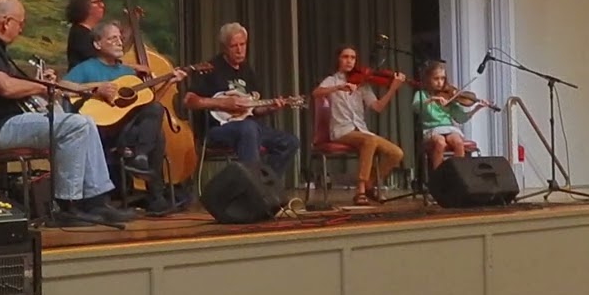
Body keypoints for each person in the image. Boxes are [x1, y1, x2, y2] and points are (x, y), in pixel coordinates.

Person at [0, 0, 135, 225]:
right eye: (20, 23)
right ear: (6, 22)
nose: (20, 30)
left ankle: (97, 201)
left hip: (5, 123)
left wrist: (39, 83)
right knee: (75, 125)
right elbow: (5, 87)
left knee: (86, 121)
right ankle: (67, 205)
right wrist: (41, 87)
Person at [64, 21, 187, 216]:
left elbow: (147, 103)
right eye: (112, 38)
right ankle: (155, 195)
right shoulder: (86, 68)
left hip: (129, 131)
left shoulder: (127, 73)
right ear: (97, 44)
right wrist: (96, 87)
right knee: (156, 135)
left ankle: (140, 157)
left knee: (155, 111)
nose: (119, 42)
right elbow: (62, 87)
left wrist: (169, 81)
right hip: (102, 130)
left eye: (120, 38)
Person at [184, 22, 299, 178]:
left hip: (249, 127)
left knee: (289, 142)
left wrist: (271, 107)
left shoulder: (247, 70)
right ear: (224, 48)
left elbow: (254, 108)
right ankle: (253, 188)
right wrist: (222, 103)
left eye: (243, 44)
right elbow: (189, 101)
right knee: (249, 128)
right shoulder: (210, 68)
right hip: (217, 130)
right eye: (234, 46)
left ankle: (263, 184)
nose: (240, 50)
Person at [312, 45, 405, 205]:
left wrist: (392, 89)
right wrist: (339, 87)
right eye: (345, 57)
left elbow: (377, 107)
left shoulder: (362, 84)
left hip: (361, 130)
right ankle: (360, 190)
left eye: (353, 58)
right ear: (338, 59)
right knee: (370, 141)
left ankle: (370, 183)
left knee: (396, 153)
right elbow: (316, 93)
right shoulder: (332, 80)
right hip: (342, 131)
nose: (349, 61)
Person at [411, 61, 492, 171]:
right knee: (440, 142)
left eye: (443, 78)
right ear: (428, 79)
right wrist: (432, 99)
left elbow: (461, 118)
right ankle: (438, 178)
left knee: (458, 142)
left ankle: (458, 175)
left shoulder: (449, 96)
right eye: (436, 79)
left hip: (448, 128)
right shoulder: (421, 95)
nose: (440, 82)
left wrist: (477, 108)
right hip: (430, 129)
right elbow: (416, 107)